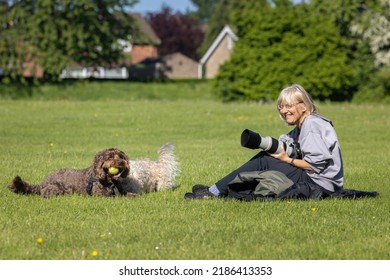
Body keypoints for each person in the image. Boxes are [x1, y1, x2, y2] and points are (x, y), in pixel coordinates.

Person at [184, 84, 344, 200]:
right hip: (320, 181)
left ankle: (213, 192)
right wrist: (273, 147)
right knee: (267, 157)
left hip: (321, 184)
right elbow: (287, 145)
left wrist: (286, 160)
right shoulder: (302, 126)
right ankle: (218, 190)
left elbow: (314, 165)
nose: (283, 111)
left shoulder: (311, 125)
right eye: (280, 106)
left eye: (288, 106)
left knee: (263, 160)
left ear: (303, 106)